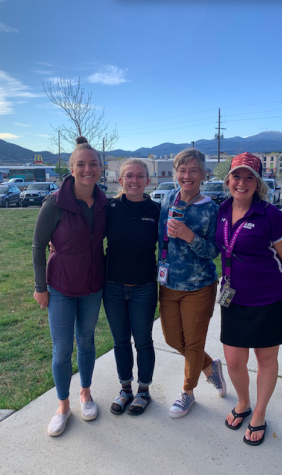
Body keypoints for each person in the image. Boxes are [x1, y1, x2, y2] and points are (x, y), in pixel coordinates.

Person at [216, 152, 282, 446]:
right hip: (233, 298)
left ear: (258, 182)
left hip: (269, 299)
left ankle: (259, 414)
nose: (242, 182)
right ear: (229, 179)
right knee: (234, 360)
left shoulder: (271, 215)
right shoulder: (222, 211)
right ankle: (243, 402)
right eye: (236, 176)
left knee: (266, 359)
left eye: (249, 177)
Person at [32, 136, 107, 436]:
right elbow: (38, 245)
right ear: (71, 168)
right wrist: (40, 287)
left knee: (86, 341)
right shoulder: (55, 203)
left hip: (92, 286)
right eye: (81, 164)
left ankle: (85, 393)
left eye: (93, 164)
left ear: (100, 168)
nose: (87, 169)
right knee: (62, 349)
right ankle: (63, 405)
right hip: (60, 287)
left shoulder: (103, 203)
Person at [158, 148, 227, 419]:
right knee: (173, 339)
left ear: (203, 175)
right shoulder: (167, 200)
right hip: (168, 284)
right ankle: (210, 367)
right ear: (175, 173)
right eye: (182, 170)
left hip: (199, 287)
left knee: (194, 343)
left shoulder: (211, 209)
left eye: (193, 170)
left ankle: (188, 392)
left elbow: (214, 251)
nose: (187, 176)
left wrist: (189, 236)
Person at [103, 158, 160, 416]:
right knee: (120, 341)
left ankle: (144, 391)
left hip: (144, 287)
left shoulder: (157, 210)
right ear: (120, 179)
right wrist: (55, 244)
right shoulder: (110, 208)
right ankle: (125, 388)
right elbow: (87, 235)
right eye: (129, 176)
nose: (134, 181)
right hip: (113, 286)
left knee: (144, 342)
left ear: (148, 181)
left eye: (140, 176)